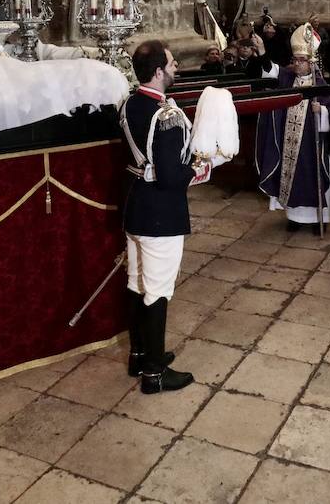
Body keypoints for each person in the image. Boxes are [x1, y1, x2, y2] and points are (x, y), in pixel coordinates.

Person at [119, 40, 211, 394]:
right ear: (158, 71)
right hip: (160, 214)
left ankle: (139, 355)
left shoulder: (128, 105)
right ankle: (154, 375)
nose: (175, 68)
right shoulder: (168, 116)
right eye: (172, 64)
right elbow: (173, 176)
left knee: (135, 282)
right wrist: (203, 169)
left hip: (135, 206)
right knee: (157, 291)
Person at [255, 25, 330, 231]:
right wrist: (262, 51)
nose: (297, 64)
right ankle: (295, 218)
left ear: (311, 62)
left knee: (312, 176)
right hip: (290, 143)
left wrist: (324, 112)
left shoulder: (320, 85)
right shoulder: (287, 78)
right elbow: (271, 70)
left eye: (301, 61)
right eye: (295, 60)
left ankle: (321, 219)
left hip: (312, 145)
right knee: (291, 179)